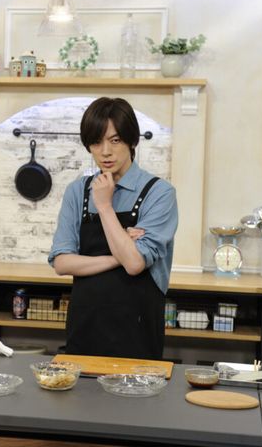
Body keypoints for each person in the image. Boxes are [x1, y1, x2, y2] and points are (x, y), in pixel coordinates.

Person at [49, 97, 178, 359]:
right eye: (97, 142)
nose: (105, 151)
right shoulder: (77, 191)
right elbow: (61, 263)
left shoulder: (160, 193)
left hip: (138, 332)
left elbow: (134, 264)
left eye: (115, 140)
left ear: (132, 141)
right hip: (85, 328)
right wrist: (118, 255)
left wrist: (104, 206)